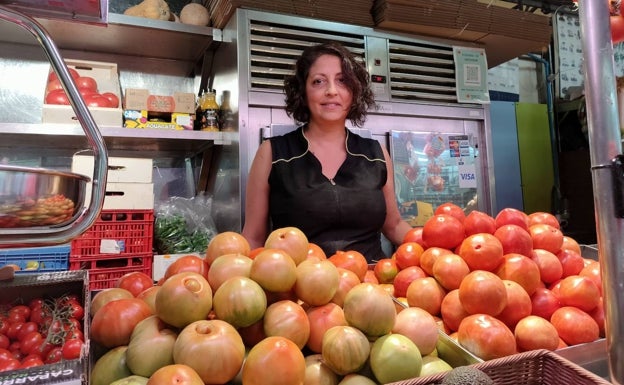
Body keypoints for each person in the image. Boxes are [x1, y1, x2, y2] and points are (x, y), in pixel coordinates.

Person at [242, 41, 412, 261]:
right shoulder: (273, 153)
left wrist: (435, 249)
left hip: (371, 284)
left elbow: (394, 225)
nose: (332, 91)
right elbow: (254, 238)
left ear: (354, 91)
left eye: (342, 81)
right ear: (303, 91)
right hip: (301, 287)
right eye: (319, 81)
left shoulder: (375, 152)